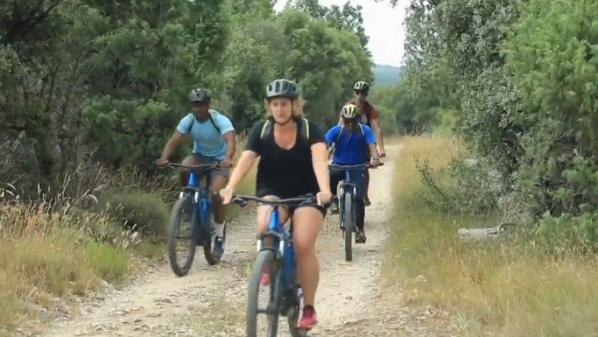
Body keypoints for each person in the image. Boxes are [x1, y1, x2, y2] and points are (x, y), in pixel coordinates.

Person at [220, 79, 332, 330]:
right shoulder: (261, 130)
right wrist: (230, 187)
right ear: (269, 107)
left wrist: (325, 190)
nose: (279, 109)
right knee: (264, 228)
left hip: (308, 194)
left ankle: (309, 307)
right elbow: (246, 160)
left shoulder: (309, 129)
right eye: (275, 104)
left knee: (303, 243)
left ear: (294, 105)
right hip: (272, 192)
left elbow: (319, 161)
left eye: (284, 104)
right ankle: (269, 261)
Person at [157, 88, 236, 250]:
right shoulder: (189, 120)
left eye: (200, 105)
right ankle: (188, 203)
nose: (197, 109)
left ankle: (219, 234)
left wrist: (227, 159)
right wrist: (164, 158)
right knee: (185, 168)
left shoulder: (219, 120)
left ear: (207, 105)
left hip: (219, 160)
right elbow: (174, 140)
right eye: (195, 105)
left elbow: (231, 141)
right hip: (199, 156)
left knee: (216, 194)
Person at [327, 103, 380, 243]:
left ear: (358, 119)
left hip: (358, 166)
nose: (350, 124)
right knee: (330, 176)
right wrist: (320, 158)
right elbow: (323, 145)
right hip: (339, 166)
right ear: (343, 119)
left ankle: (360, 231)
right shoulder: (336, 131)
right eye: (347, 120)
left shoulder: (365, 130)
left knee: (358, 198)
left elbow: (372, 145)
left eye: (353, 120)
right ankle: (333, 200)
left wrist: (375, 158)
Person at [346, 80, 386, 205]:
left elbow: (376, 129)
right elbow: (339, 126)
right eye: (357, 92)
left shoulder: (370, 109)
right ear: (354, 93)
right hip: (348, 140)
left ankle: (364, 194)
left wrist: (380, 148)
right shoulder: (348, 106)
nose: (360, 95)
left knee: (364, 168)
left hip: (364, 142)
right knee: (340, 167)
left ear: (366, 94)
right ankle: (339, 197)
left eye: (362, 93)